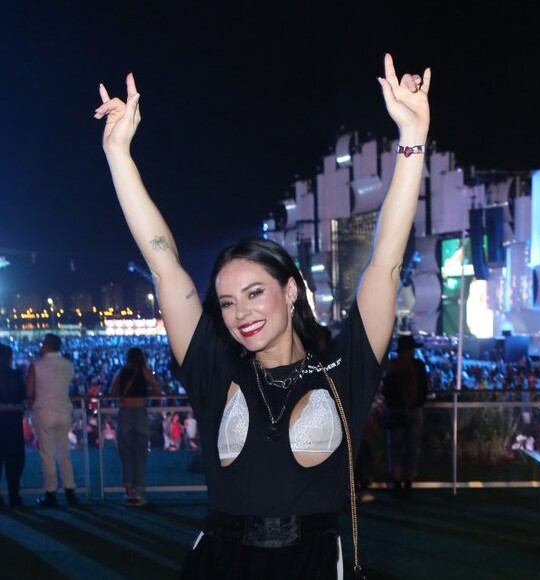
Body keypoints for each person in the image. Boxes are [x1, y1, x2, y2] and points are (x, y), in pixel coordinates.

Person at [95, 51, 430, 579]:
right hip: (221, 563)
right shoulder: (213, 368)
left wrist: (412, 137)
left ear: (291, 290)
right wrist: (118, 154)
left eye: (255, 293)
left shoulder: (347, 369)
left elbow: (386, 262)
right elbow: (163, 263)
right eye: (227, 302)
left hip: (315, 563)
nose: (240, 313)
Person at [25, 333, 78, 507]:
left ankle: (51, 493)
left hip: (44, 412)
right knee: (64, 453)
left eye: (42, 344)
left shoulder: (36, 366)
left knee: (47, 455)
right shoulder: (68, 365)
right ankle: (70, 492)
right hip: (64, 411)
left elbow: (29, 393)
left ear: (47, 346)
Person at [109, 347, 163, 506]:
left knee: (126, 454)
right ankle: (137, 493)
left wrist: (123, 395)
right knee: (140, 454)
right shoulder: (145, 372)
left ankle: (127, 491)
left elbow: (113, 391)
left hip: (124, 413)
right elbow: (158, 391)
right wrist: (144, 392)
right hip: (140, 412)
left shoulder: (121, 372)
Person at [383, 334, 429, 498]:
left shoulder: (393, 366)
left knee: (395, 448)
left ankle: (396, 481)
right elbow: (424, 387)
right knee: (412, 448)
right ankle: (408, 480)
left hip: (396, 411)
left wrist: (393, 405)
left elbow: (386, 389)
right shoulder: (419, 366)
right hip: (414, 410)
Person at [0, 344, 26, 507]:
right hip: (13, 423)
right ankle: (14, 495)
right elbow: (23, 397)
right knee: (14, 461)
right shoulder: (16, 375)